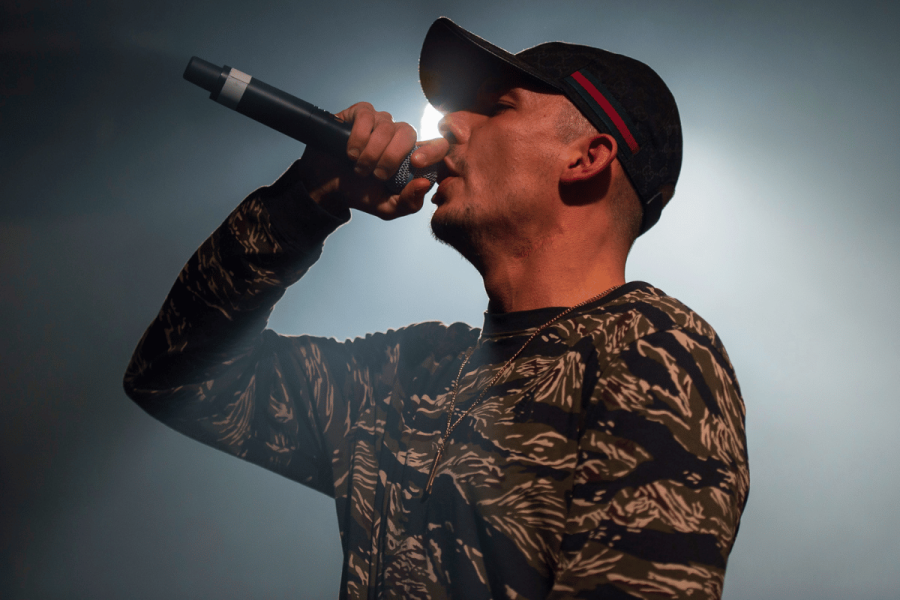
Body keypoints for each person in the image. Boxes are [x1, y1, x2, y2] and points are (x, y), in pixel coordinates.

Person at [124, 17, 748, 600]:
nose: (450, 125)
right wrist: (306, 199)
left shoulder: (651, 348)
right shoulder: (412, 372)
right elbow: (176, 380)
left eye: (498, 106)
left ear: (587, 157)